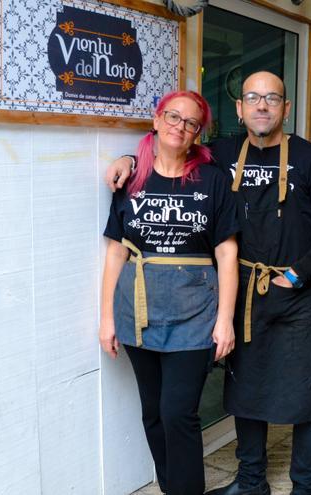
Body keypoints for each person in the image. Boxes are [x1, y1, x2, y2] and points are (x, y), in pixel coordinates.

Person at [106, 72, 311, 495]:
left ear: (285, 109)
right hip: (243, 294)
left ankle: (305, 486)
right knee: (245, 392)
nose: (262, 105)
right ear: (239, 109)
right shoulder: (219, 154)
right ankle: (251, 482)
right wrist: (128, 161)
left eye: (272, 98)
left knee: (308, 396)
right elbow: (169, 148)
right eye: (252, 97)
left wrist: (295, 275)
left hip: (295, 295)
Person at [99, 90, 240, 495]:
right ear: (157, 120)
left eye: (191, 122)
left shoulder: (213, 180)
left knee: (178, 413)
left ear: (198, 133)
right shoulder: (131, 179)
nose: (181, 127)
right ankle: (171, 487)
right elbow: (116, 251)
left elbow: (227, 254)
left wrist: (224, 319)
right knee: (153, 414)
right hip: (138, 312)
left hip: (195, 315)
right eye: (173, 117)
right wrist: (107, 317)